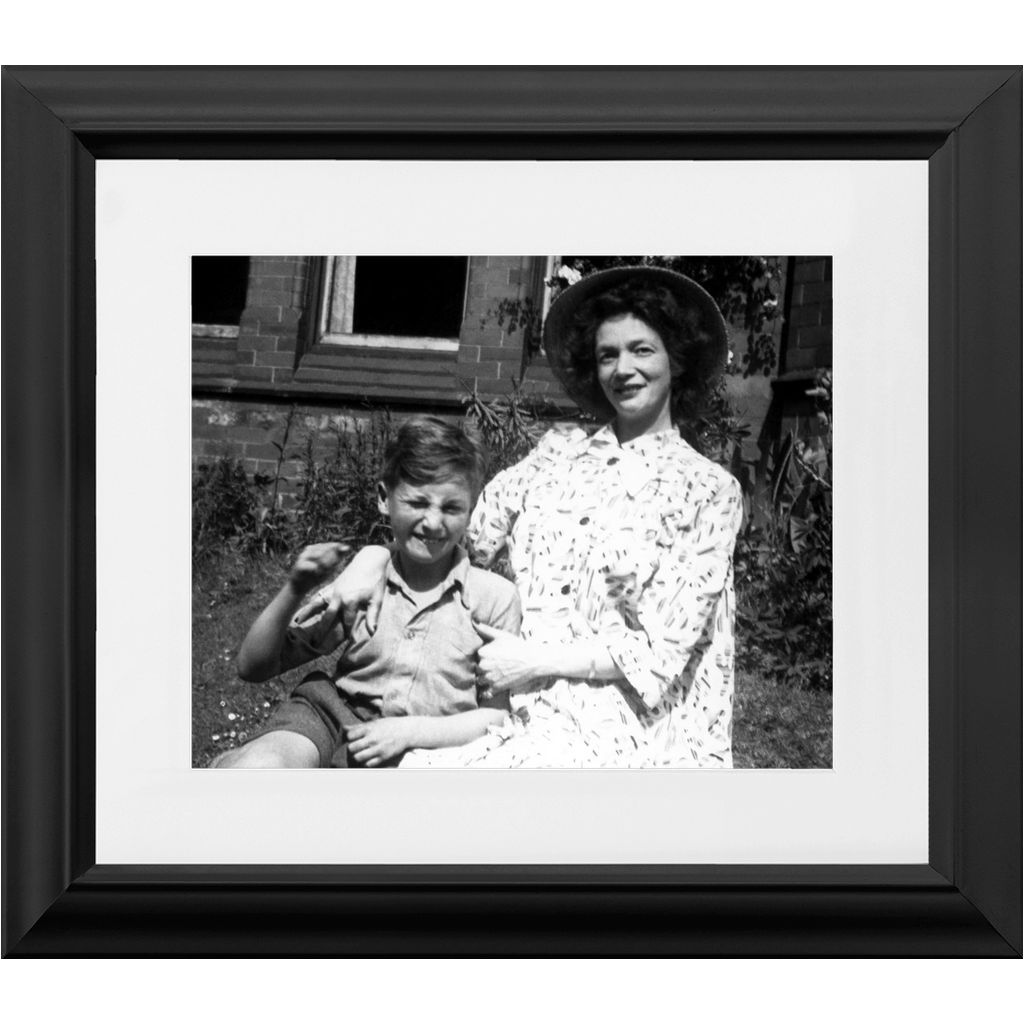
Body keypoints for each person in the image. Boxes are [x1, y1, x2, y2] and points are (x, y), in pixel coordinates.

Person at [322, 266, 743, 768]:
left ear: (677, 359)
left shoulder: (708, 488)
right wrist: (372, 558)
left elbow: (661, 652)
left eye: (642, 350)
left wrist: (532, 660)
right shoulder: (554, 456)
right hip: (521, 703)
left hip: (635, 726)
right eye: (607, 354)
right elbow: (456, 535)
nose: (622, 369)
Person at [212, 416, 522, 768]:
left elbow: (496, 716)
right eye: (417, 503)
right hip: (333, 718)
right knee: (258, 769)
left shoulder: (493, 599)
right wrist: (295, 589)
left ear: (470, 510)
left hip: (429, 747)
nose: (434, 522)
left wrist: (408, 733)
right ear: (383, 498)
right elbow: (253, 667)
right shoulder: (363, 580)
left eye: (451, 507)